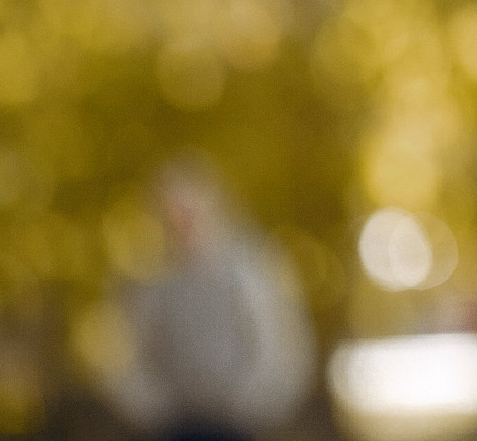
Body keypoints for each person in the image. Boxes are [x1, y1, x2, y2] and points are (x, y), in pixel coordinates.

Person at [99, 157, 315, 441]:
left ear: (211, 205)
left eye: (188, 210)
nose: (181, 220)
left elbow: (281, 347)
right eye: (171, 213)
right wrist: (151, 409)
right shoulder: (154, 283)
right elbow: (126, 355)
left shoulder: (251, 271)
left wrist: (254, 404)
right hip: (175, 425)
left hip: (238, 424)